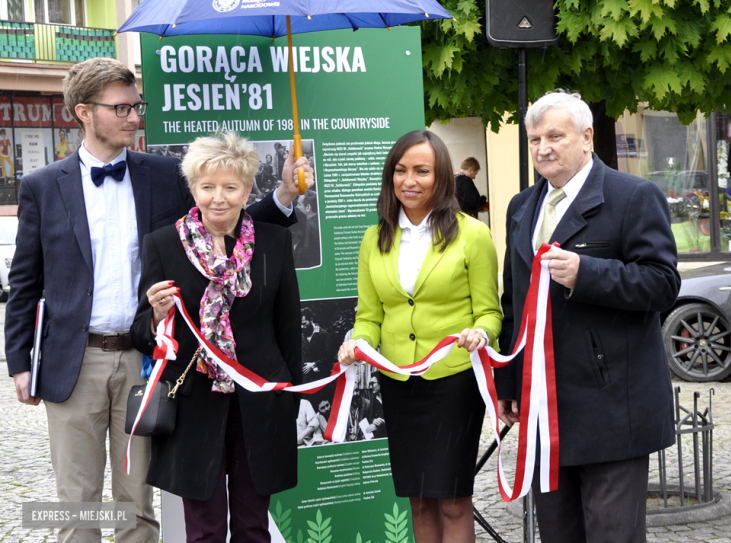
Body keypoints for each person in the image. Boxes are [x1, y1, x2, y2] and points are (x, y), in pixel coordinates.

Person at [4, 57, 312, 543]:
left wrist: (282, 196)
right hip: (73, 360)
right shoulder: (42, 185)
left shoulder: (164, 174)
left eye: (136, 105)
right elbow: (24, 282)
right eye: (121, 107)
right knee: (76, 502)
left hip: (149, 359)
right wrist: (20, 361)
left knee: (136, 504)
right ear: (84, 112)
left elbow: (224, 216)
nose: (134, 116)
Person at [495, 91, 680, 543]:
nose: (543, 148)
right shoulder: (522, 207)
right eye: (534, 138)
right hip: (545, 410)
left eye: (555, 136)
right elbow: (513, 303)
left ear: (587, 137)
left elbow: (662, 283)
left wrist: (587, 273)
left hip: (613, 407)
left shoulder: (633, 196)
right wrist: (509, 382)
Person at [130, 132, 302, 542]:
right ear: (193, 189)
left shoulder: (274, 242)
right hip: (194, 407)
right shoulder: (163, 244)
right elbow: (141, 334)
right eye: (207, 187)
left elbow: (288, 328)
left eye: (230, 187)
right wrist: (156, 315)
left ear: (247, 190)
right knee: (204, 531)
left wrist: (289, 398)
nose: (218, 198)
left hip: (260, 403)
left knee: (252, 526)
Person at [338, 130, 502, 543]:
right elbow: (370, 315)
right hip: (398, 382)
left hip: (454, 382)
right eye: (400, 170)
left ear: (441, 176)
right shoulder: (373, 239)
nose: (409, 181)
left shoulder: (472, 235)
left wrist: (480, 333)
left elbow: (489, 312)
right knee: (419, 501)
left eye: (422, 171)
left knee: (451, 500)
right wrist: (357, 343)